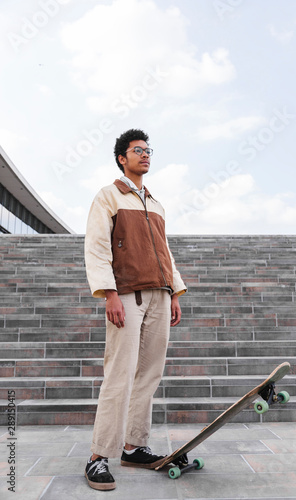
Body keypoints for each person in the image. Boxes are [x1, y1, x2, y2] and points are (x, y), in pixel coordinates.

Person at [84, 128, 187, 490]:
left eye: (148, 150)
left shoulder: (155, 204)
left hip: (160, 295)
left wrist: (175, 291)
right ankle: (99, 456)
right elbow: (97, 247)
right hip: (127, 295)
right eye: (137, 150)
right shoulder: (108, 197)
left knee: (149, 375)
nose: (145, 155)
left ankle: (134, 446)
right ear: (121, 158)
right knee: (120, 374)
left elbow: (165, 251)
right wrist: (108, 293)